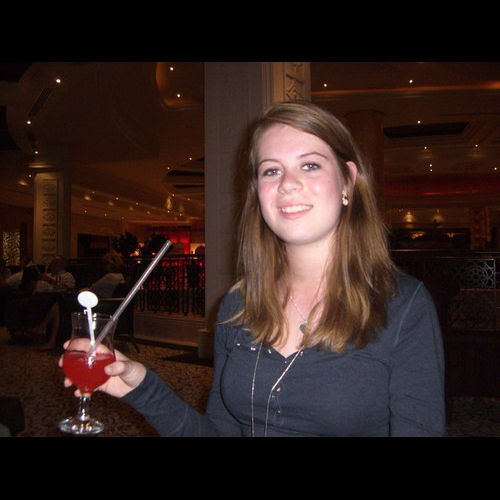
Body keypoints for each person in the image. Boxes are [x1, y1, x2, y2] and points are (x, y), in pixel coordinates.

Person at [61, 102, 445, 437]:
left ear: (348, 180)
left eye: (310, 165)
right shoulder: (238, 305)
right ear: (257, 192)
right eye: (271, 171)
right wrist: (139, 386)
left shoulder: (402, 305)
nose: (288, 184)